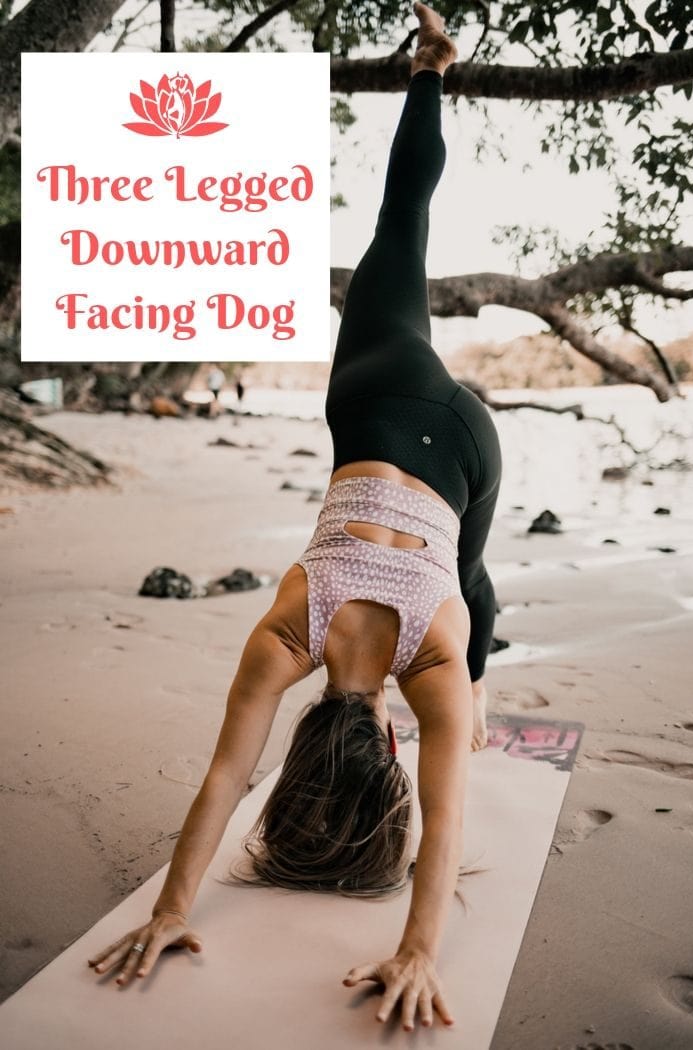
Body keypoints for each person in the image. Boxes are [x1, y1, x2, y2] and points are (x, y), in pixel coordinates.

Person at [88, 3, 501, 1033]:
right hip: (385, 391)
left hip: (468, 447)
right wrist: (172, 905)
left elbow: (443, 827)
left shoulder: (430, 668)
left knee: (472, 582)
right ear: (309, 744)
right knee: (400, 221)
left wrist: (416, 948)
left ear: (392, 746)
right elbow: (226, 777)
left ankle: (489, 692)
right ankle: (430, 69)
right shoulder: (286, 632)